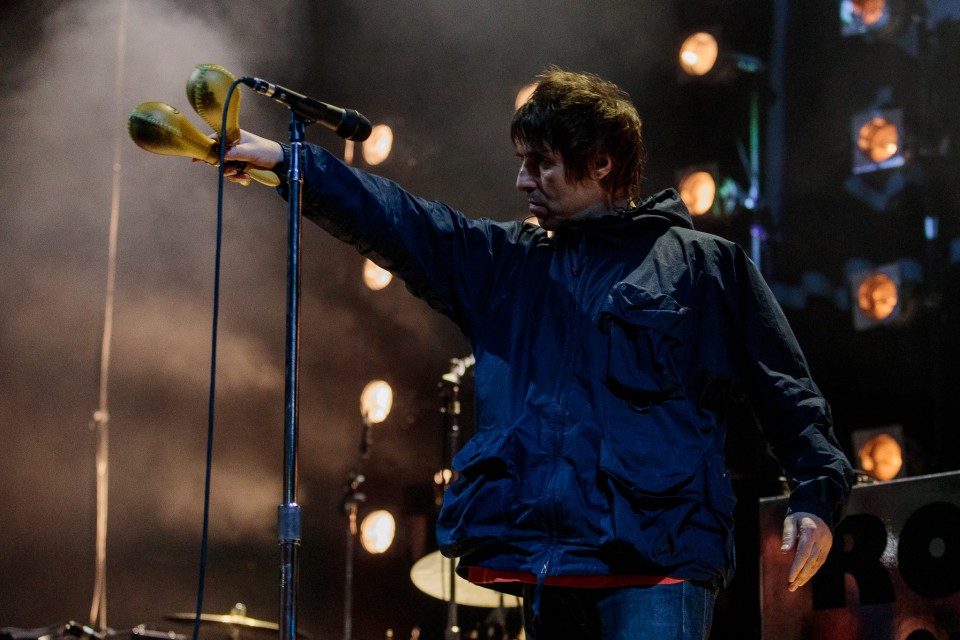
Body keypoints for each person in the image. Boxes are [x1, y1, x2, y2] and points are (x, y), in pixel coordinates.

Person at [221, 67, 853, 640]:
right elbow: (400, 220)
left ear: (602, 164)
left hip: (657, 568)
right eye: (523, 161)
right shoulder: (507, 264)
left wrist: (816, 499)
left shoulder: (704, 267)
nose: (523, 179)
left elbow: (788, 393)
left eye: (543, 163)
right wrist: (289, 162)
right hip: (546, 569)